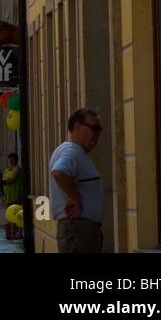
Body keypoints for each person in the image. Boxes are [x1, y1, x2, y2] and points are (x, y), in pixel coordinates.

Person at [50, 108, 106, 253]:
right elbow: (59, 172)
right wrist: (75, 198)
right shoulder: (72, 151)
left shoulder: (71, 151)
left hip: (79, 229)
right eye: (94, 128)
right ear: (77, 126)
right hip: (78, 230)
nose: (98, 133)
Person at [2, 152, 24, 240]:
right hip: (8, 195)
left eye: (12, 159)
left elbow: (11, 180)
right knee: (9, 215)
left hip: (15, 194)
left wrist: (1, 181)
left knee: (16, 214)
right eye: (9, 159)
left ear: (16, 160)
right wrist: (3, 180)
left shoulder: (17, 169)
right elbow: (5, 179)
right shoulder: (8, 169)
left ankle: (16, 232)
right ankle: (12, 232)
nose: (10, 160)